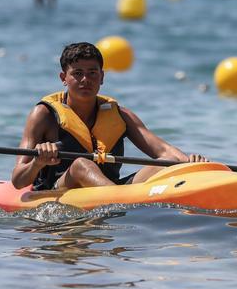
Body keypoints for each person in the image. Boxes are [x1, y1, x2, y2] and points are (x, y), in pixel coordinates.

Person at [12, 42, 205, 191]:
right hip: (57, 190)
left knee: (164, 166)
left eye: (92, 73)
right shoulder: (44, 114)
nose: (85, 80)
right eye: (77, 73)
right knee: (81, 164)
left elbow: (166, 153)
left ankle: (120, 199)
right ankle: (122, 204)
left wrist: (191, 164)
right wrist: (38, 162)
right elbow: (18, 180)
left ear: (102, 77)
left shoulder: (120, 114)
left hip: (109, 190)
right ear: (64, 78)